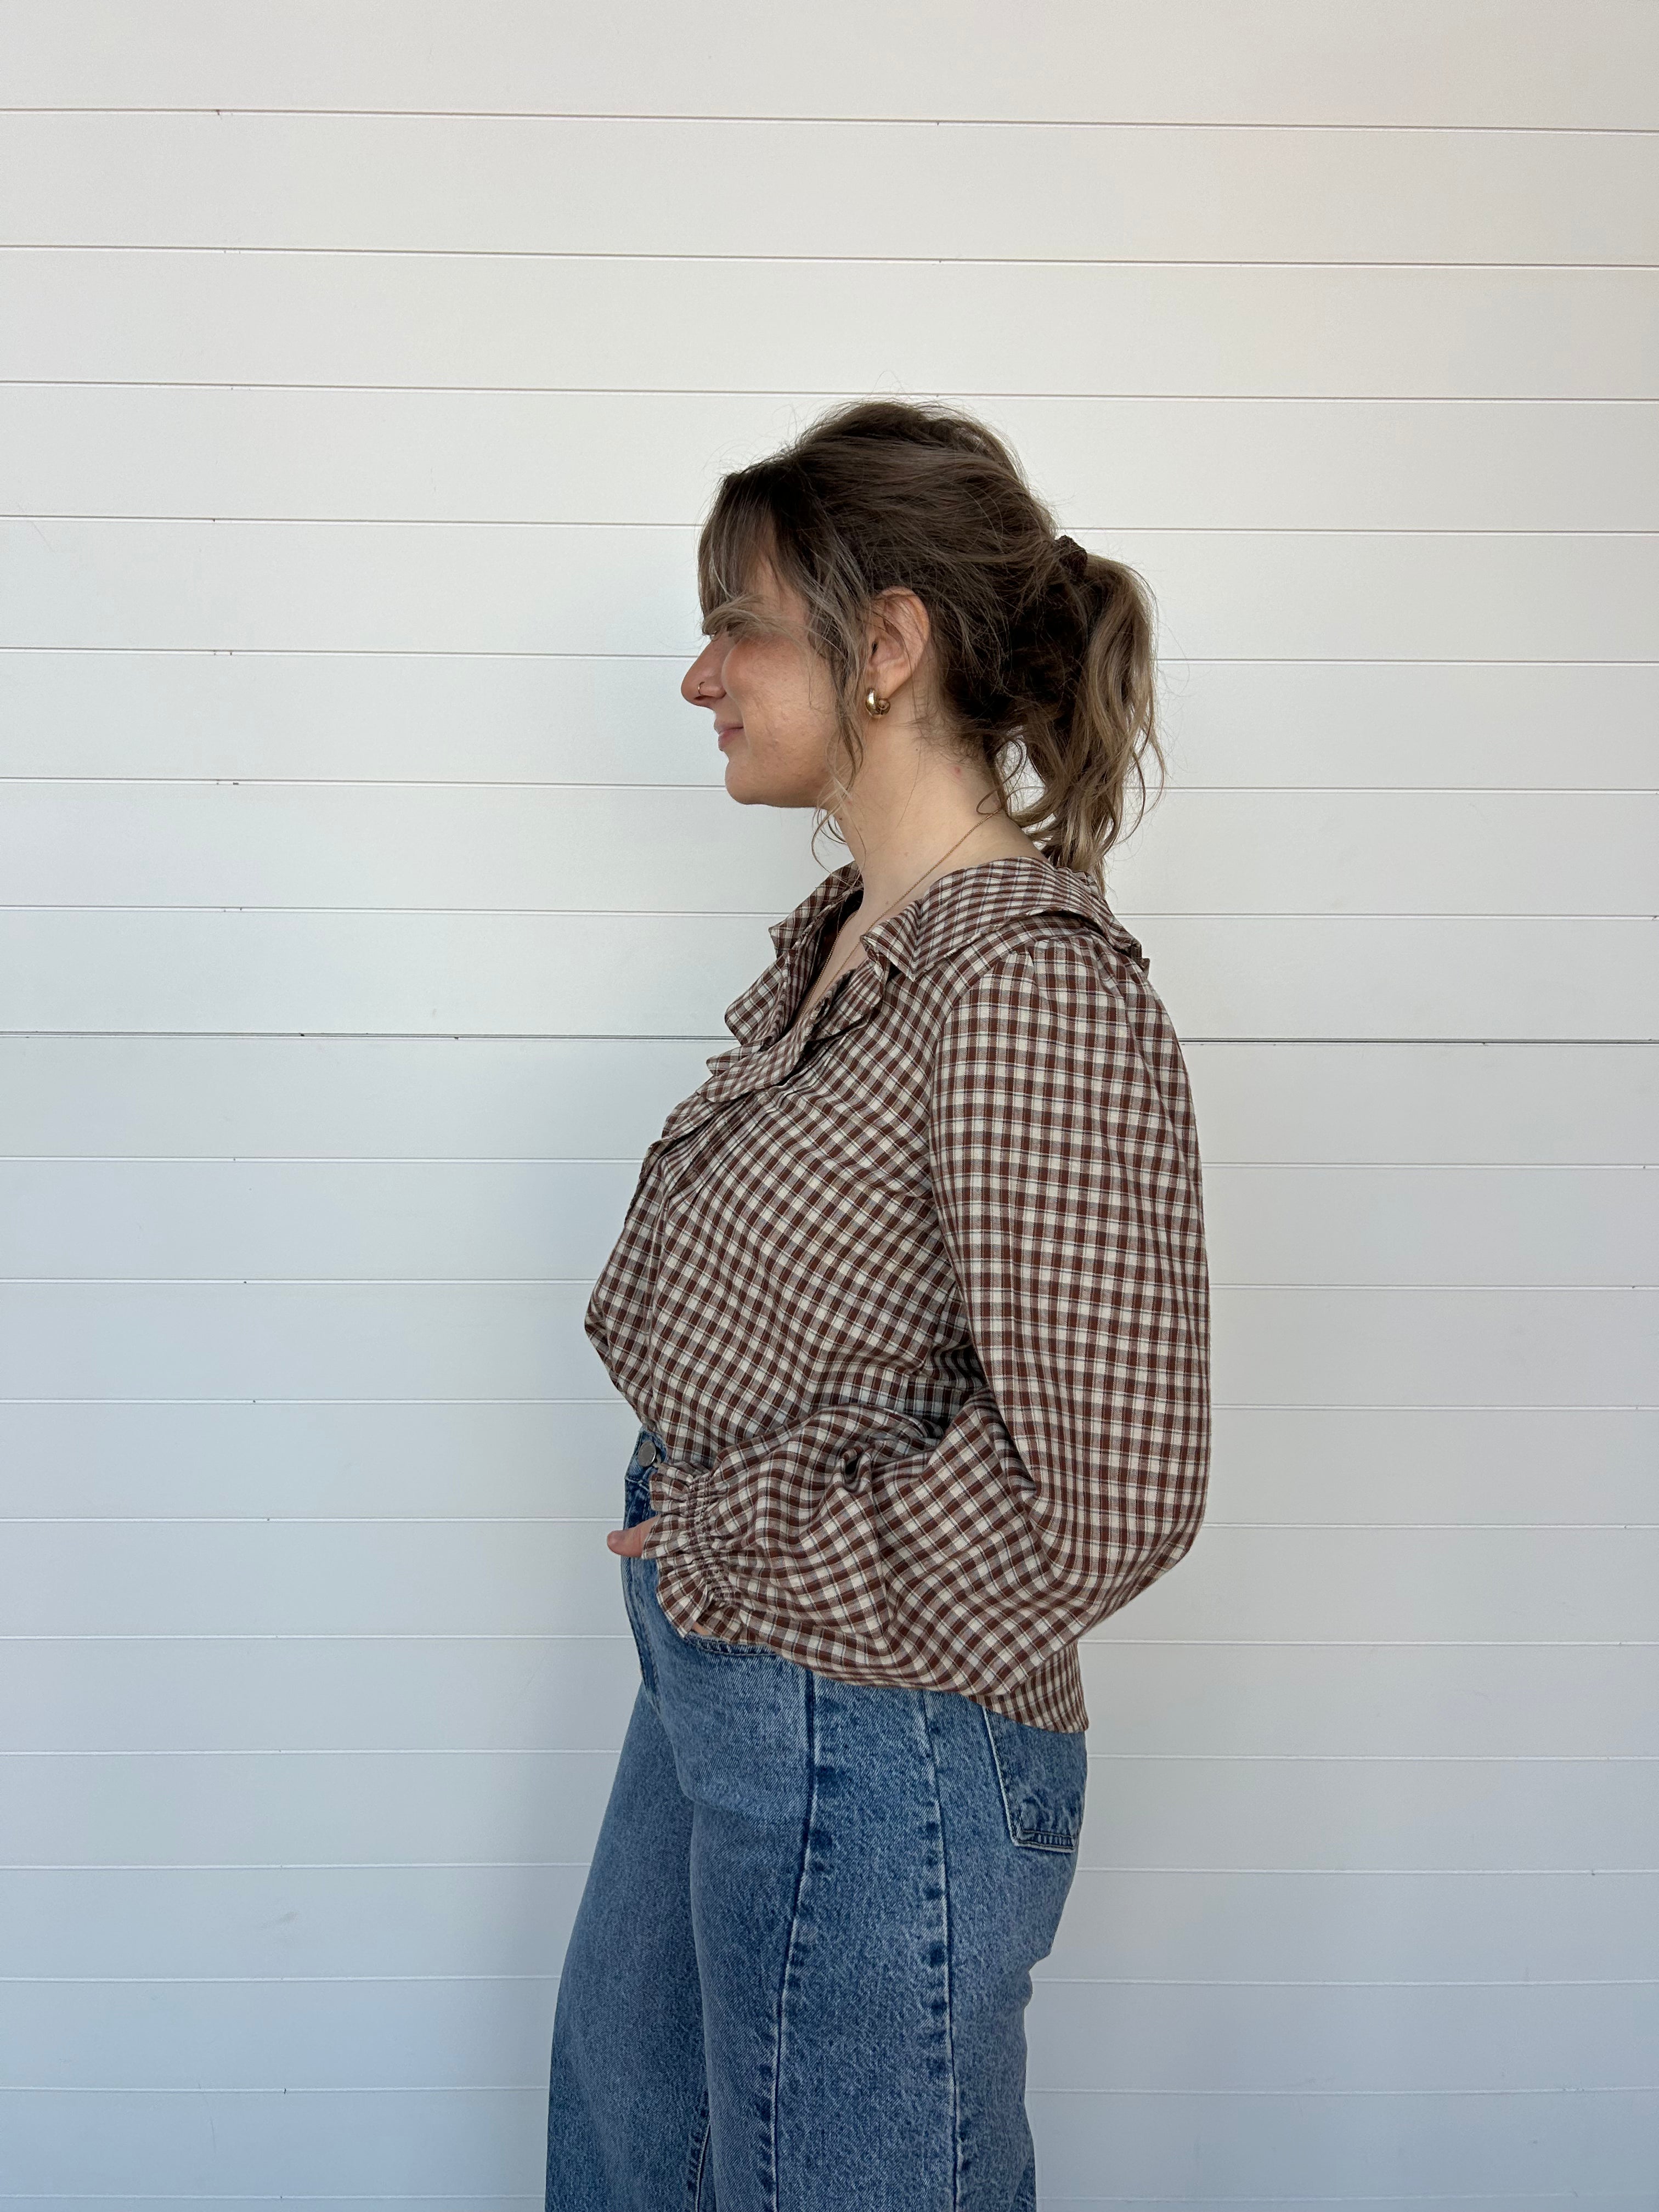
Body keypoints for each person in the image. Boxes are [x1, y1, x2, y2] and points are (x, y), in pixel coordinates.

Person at [545, 398, 1211, 2212]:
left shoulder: (1023, 990)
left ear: (889, 643)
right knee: (632, 2153)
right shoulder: (863, 947)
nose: (702, 677)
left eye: (738, 627)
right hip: (743, 1675)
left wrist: (737, 1543)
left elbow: (1112, 1494)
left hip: (881, 1736)